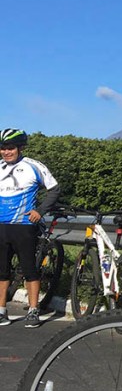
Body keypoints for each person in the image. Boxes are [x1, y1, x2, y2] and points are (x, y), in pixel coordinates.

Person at [0, 128, 60, 328]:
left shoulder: (33, 166)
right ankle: (1, 311)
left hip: (25, 226)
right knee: (2, 271)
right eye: (3, 149)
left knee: (29, 269)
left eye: (10, 148)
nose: (6, 152)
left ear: (20, 148)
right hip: (2, 227)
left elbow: (54, 189)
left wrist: (40, 211)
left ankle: (33, 310)